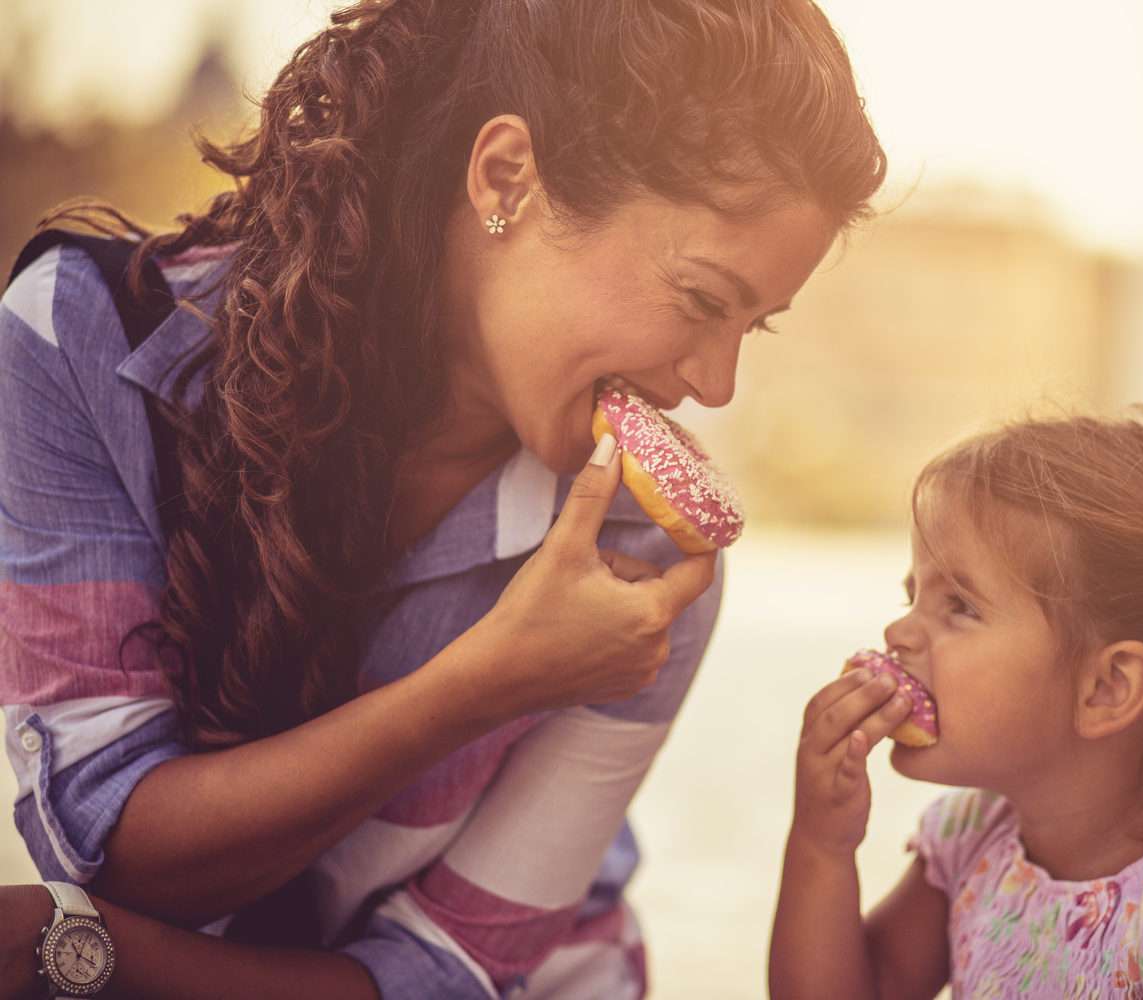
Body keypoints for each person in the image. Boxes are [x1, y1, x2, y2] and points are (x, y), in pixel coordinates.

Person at [0, 0, 886, 996]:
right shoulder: (80, 345)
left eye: (754, 327)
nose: (718, 385)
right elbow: (116, 848)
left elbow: (449, 973)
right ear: (508, 178)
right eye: (700, 299)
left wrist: (76, 949)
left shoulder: (642, 567)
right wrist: (481, 681)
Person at [768, 411, 1143, 1000]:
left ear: (1107, 688)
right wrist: (821, 845)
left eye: (960, 605)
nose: (898, 631)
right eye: (913, 594)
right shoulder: (976, 836)